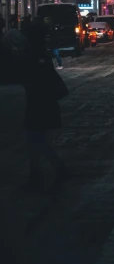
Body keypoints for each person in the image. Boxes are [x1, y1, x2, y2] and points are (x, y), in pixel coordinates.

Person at [22, 23, 69, 188]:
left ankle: (55, 169)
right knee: (34, 140)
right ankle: (36, 174)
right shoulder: (41, 53)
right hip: (42, 102)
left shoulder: (34, 54)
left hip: (39, 103)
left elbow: (35, 79)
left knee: (36, 140)